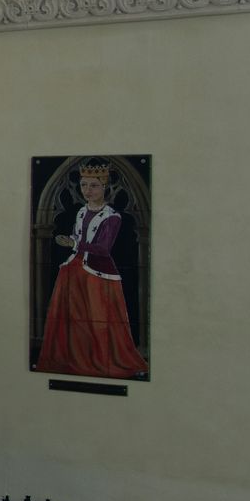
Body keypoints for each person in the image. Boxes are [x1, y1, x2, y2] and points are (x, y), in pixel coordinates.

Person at [39, 161, 147, 377]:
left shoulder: (112, 217)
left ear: (104, 187)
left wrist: (73, 243)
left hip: (98, 273)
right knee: (73, 319)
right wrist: (70, 240)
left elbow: (103, 249)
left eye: (94, 186)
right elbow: (78, 236)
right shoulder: (81, 212)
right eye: (84, 185)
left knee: (98, 319)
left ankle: (98, 359)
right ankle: (73, 358)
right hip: (74, 269)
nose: (87, 190)